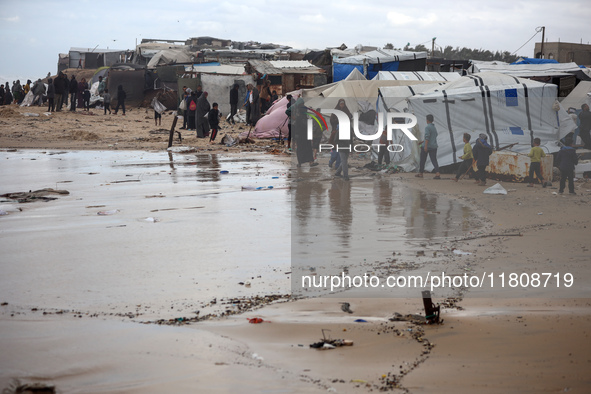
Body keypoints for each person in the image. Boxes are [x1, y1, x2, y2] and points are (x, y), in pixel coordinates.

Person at [416, 114, 441, 179]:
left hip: (427, 146)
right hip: (434, 146)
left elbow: (427, 137)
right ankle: (437, 173)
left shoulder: (427, 127)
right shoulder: (434, 128)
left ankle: (421, 173)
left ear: (427, 120)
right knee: (434, 160)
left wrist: (425, 146)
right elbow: (433, 137)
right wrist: (423, 141)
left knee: (422, 160)